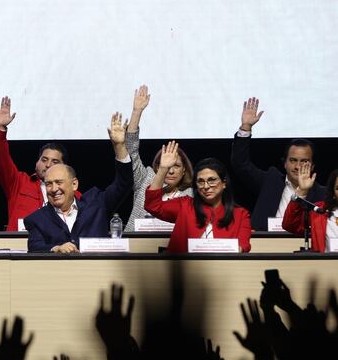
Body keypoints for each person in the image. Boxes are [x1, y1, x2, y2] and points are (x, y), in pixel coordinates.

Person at [24, 113, 133, 253]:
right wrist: (56, 248)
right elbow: (34, 247)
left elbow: (124, 183)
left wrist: (119, 146)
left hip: (97, 266)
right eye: (49, 184)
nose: (54, 189)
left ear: (74, 184)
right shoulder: (37, 219)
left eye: (59, 182)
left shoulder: (96, 204)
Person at [230, 97, 325, 230]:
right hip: (266, 240)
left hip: (303, 242)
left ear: (312, 166)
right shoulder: (270, 181)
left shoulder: (323, 194)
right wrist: (246, 127)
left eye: (304, 161)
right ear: (284, 163)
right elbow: (241, 164)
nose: (298, 166)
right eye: (293, 160)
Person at [145, 143, 252, 253]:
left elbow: (243, 246)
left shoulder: (241, 214)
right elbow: (152, 205)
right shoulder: (185, 205)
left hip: (223, 263)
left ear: (224, 183)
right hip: (185, 264)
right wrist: (163, 169)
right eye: (200, 181)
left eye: (212, 180)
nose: (206, 186)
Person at [0, 96, 73, 231]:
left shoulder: (72, 192)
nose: (48, 165)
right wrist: (1, 129)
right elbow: (1, 160)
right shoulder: (19, 183)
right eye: (44, 160)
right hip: (20, 242)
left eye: (55, 162)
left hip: (58, 243)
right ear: (36, 163)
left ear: (64, 168)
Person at [124, 85, 194, 230]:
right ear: (158, 167)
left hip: (174, 243)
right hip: (138, 243)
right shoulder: (146, 179)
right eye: (166, 166)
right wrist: (136, 112)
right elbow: (132, 152)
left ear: (184, 170)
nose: (171, 171)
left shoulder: (191, 194)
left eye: (176, 166)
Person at [281, 164, 338, 252]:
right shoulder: (319, 212)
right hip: (324, 260)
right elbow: (290, 225)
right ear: (333, 193)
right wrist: (302, 191)